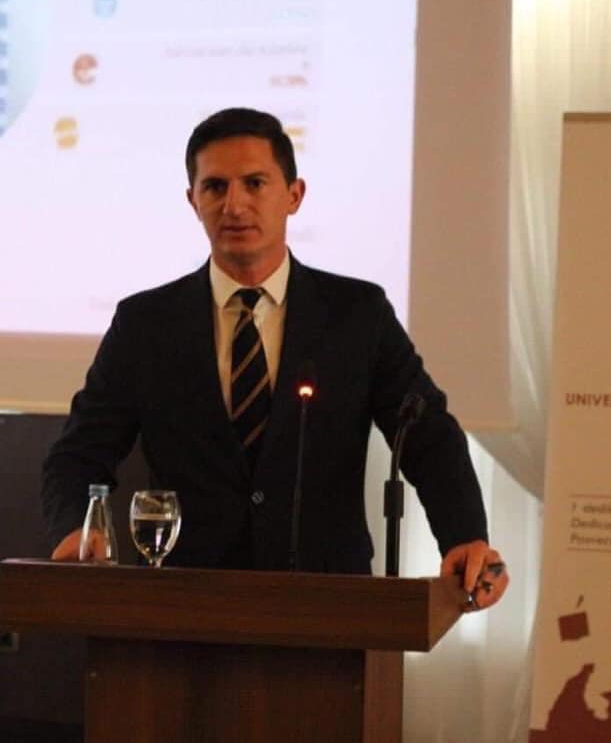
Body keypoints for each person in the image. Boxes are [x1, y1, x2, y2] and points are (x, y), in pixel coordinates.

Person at [41, 107, 508, 610]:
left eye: (255, 183)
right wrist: (76, 528)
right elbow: (80, 453)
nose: (234, 204)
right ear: (193, 201)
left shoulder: (356, 315)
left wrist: (464, 535)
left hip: (329, 606)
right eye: (214, 187)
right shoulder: (146, 324)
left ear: (294, 195)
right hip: (182, 608)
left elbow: (427, 437)